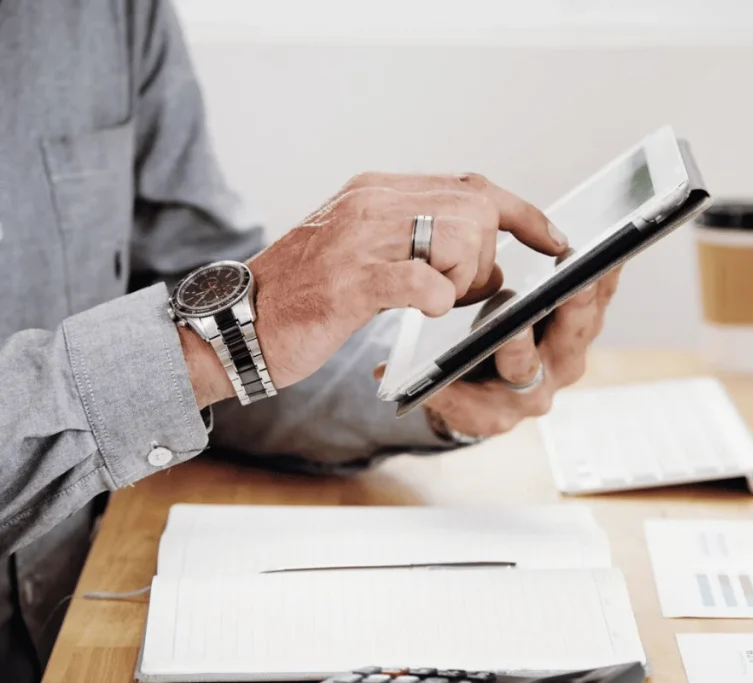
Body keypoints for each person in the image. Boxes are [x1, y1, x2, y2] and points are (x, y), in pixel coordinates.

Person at [0, 1, 622, 680]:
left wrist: (428, 380)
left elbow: (189, 291)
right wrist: (215, 341)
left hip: (87, 614)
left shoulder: (109, 14)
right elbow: (203, 336)